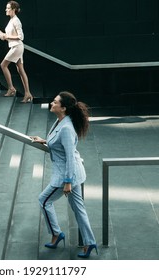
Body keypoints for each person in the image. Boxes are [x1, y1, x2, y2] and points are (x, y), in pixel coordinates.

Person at [30, 91, 97, 258]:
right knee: (79, 209)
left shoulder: (66, 127)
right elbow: (60, 143)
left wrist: (67, 182)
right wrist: (45, 141)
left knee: (44, 200)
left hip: (66, 175)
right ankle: (90, 243)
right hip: (73, 173)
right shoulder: (61, 121)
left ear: (63, 108)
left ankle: (56, 233)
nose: (52, 104)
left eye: (55, 102)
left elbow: (68, 157)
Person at [0, 1, 33, 103]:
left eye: (8, 8)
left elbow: (21, 37)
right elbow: (10, 36)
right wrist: (3, 35)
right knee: (21, 70)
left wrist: (6, 36)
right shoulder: (12, 20)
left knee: (3, 65)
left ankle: (11, 88)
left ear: (13, 10)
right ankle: (27, 93)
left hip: (17, 47)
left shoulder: (16, 21)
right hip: (15, 46)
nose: (6, 10)